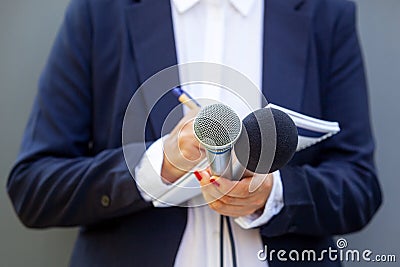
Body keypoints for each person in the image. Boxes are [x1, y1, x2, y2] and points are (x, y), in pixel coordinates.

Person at [7, 0, 382, 266]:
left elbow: (360, 186)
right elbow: (34, 188)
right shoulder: (99, 11)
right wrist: (158, 166)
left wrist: (274, 195)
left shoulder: (326, 13)